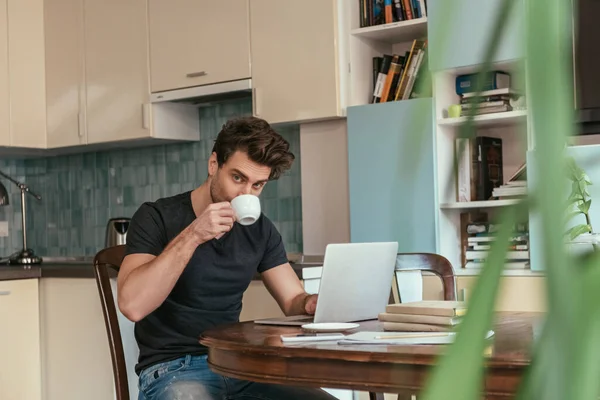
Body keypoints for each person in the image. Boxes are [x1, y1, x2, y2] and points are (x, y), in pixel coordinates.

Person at [117, 116, 337, 400]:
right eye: (237, 178)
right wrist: (194, 234)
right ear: (213, 165)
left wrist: (309, 303)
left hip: (239, 366)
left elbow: (292, 299)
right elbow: (133, 305)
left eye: (257, 185)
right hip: (173, 370)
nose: (245, 193)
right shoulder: (156, 217)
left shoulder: (260, 230)